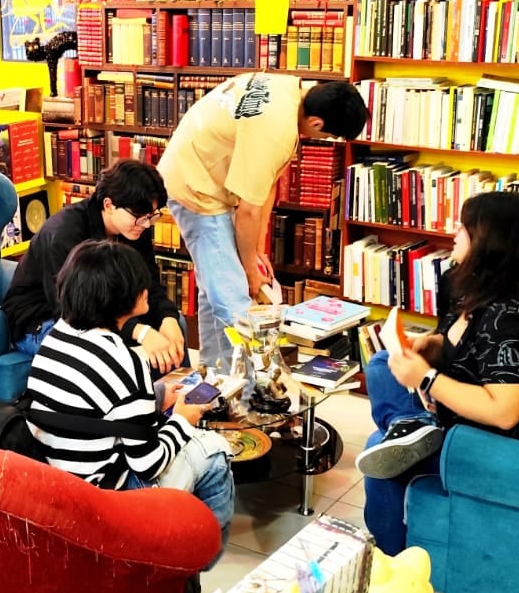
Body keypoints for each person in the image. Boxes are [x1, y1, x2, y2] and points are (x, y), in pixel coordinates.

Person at [354, 191, 519, 554]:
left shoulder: (516, 312)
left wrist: (426, 379)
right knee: (381, 365)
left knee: (379, 458)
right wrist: (431, 344)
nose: (454, 233)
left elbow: (505, 413)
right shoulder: (471, 286)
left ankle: (390, 562)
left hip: (508, 441)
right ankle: (409, 428)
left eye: (466, 227)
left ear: (492, 241)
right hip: (463, 410)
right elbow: (467, 347)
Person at [23, 239, 234, 593]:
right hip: (108, 499)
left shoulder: (57, 336)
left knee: (182, 427)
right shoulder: (124, 359)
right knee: (215, 452)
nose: (148, 289)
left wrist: (154, 400)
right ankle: (188, 569)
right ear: (121, 298)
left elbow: (97, 406)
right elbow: (149, 463)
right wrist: (183, 418)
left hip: (61, 483)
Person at [156, 73, 367, 373]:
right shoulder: (276, 131)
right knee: (234, 300)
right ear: (318, 123)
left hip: (206, 175)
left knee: (214, 289)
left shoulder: (288, 87)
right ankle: (252, 398)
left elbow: (266, 186)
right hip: (197, 187)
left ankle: (215, 376)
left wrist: (255, 251)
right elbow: (248, 213)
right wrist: (248, 271)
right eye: (329, 136)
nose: (323, 140)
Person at [3, 160, 184, 369]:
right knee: (109, 352)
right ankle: (140, 399)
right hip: (42, 318)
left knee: (175, 327)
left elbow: (148, 283)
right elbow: (73, 313)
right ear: (109, 205)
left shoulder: (135, 226)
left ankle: (180, 394)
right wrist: (139, 331)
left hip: (105, 308)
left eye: (151, 217)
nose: (145, 224)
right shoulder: (64, 234)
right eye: (139, 217)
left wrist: (167, 317)